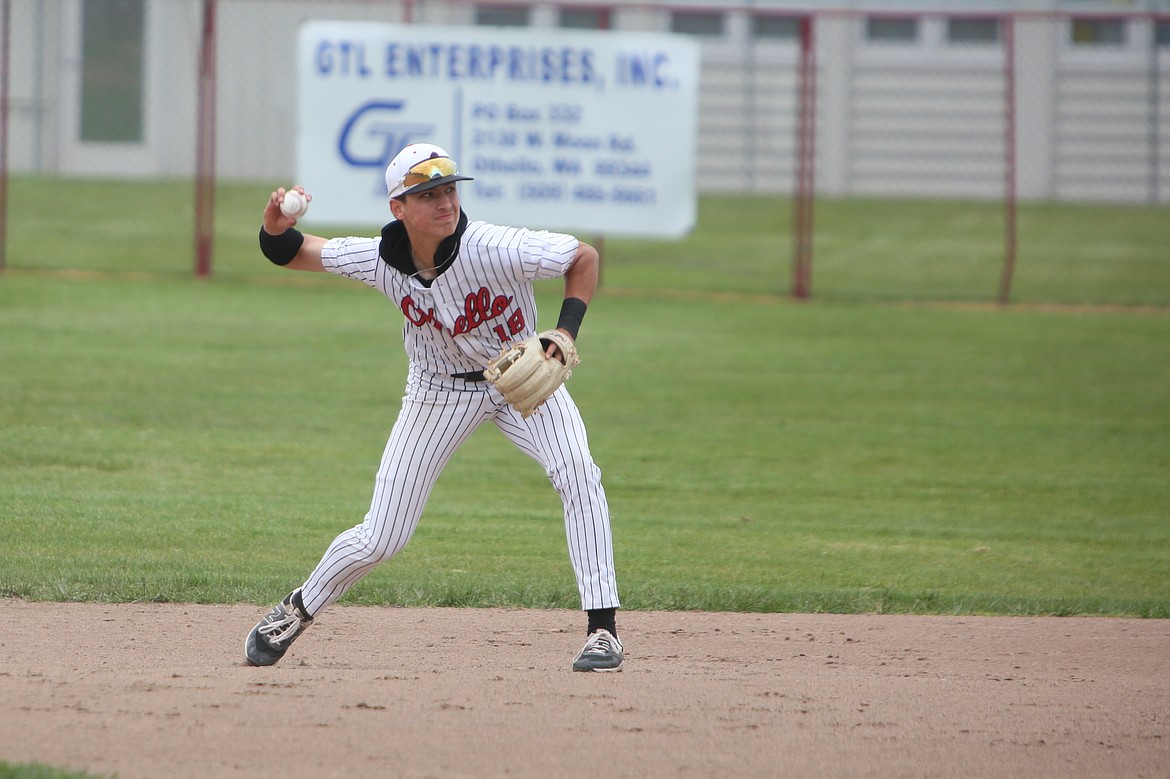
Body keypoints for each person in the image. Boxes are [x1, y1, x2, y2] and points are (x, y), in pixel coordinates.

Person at [244, 143, 623, 672]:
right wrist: (273, 226)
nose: (445, 202)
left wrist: (563, 331)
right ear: (399, 207)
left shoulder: (494, 246)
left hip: (520, 382)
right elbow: (289, 252)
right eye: (427, 194)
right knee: (382, 536)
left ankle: (602, 630)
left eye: (449, 189)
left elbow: (583, 257)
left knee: (578, 471)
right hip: (437, 392)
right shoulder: (380, 261)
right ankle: (297, 608)